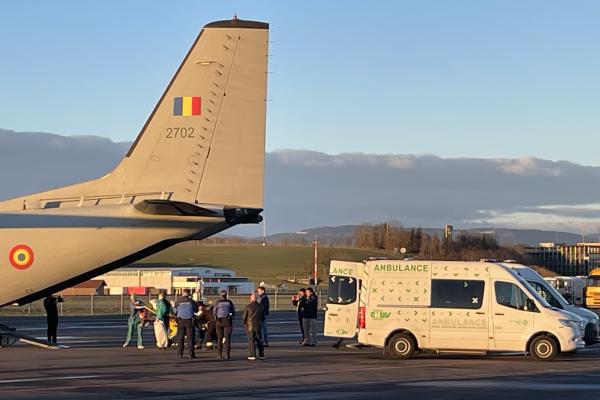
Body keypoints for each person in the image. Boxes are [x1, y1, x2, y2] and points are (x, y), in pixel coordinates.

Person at [175, 289, 198, 359]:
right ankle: (191, 354)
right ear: (188, 294)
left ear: (182, 294)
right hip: (189, 321)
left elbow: (174, 311)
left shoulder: (178, 301)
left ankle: (180, 354)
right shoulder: (192, 301)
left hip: (181, 320)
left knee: (180, 338)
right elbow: (196, 310)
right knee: (190, 338)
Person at [213, 290, 235, 360]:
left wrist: (216, 319)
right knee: (227, 338)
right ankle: (227, 355)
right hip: (227, 321)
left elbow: (214, 312)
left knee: (219, 338)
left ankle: (219, 355)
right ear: (226, 295)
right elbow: (233, 312)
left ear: (220, 295)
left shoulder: (218, 302)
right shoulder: (229, 302)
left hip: (219, 321)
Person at [243, 293, 265, 360]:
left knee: (251, 341)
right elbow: (263, 317)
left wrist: (244, 323)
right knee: (259, 340)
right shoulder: (261, 306)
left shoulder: (248, 306)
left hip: (250, 326)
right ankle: (261, 354)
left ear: (251, 299)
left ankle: (252, 355)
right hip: (258, 325)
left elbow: (244, 317)